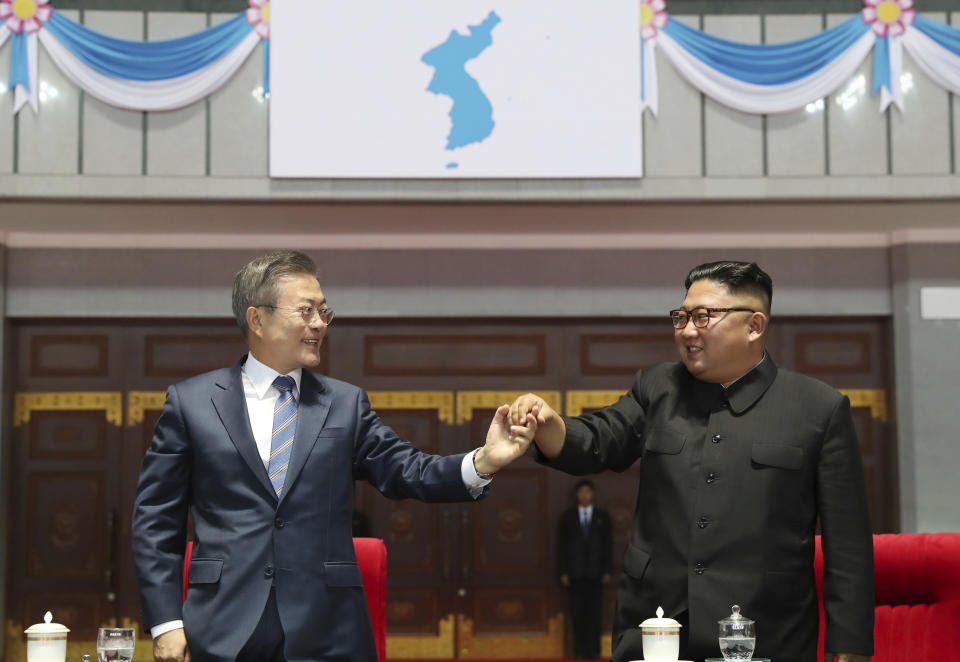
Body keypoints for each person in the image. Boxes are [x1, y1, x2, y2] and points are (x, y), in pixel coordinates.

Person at [132, 250, 537, 662]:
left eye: (324, 312)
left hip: (328, 631)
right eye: (306, 310)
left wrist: (484, 460)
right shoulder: (192, 402)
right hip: (221, 628)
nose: (319, 324)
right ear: (257, 319)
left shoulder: (345, 404)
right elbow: (155, 521)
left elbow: (408, 470)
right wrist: (166, 623)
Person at [510, 261, 874, 662]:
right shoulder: (657, 388)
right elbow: (599, 438)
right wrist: (547, 424)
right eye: (681, 317)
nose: (685, 330)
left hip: (765, 629)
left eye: (703, 317)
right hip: (657, 626)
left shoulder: (818, 408)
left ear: (754, 326)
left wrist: (850, 647)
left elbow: (848, 545)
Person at [557, 479, 612, 659]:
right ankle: (579, 651)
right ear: (576, 495)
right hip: (575, 574)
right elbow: (562, 546)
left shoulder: (602, 516)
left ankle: (594, 650)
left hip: (596, 574)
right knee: (578, 614)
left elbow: (608, 545)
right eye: (581, 492)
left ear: (593, 493)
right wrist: (563, 571)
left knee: (595, 615)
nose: (584, 495)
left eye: (588, 492)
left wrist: (607, 570)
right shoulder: (568, 516)